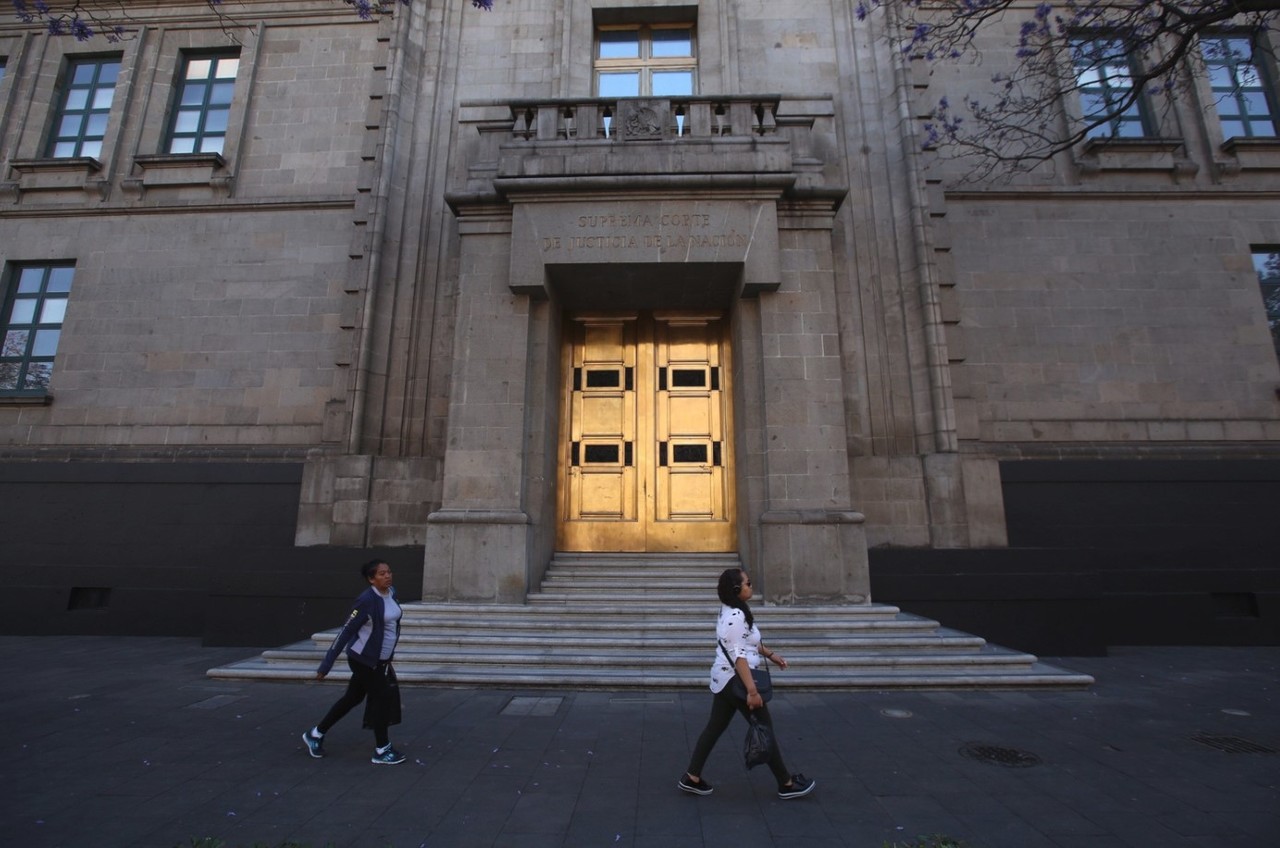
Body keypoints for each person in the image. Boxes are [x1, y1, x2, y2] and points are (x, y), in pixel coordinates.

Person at [679, 567, 815, 799]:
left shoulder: (733, 610)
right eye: (748, 583)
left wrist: (771, 655)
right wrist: (752, 690)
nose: (751, 586)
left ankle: (692, 776)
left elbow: (748, 641)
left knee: (714, 728)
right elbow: (738, 656)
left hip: (725, 680)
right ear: (736, 589)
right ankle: (786, 783)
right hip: (736, 681)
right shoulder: (735, 616)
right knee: (764, 729)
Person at [301, 559, 407, 765]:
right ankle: (382, 749)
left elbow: (390, 626)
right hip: (364, 660)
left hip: (381, 660)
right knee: (382, 698)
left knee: (352, 698)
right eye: (382, 574)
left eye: (389, 572)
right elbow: (346, 631)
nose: (387, 576)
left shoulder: (391, 593)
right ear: (371, 579)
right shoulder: (365, 600)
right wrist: (326, 665)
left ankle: (315, 734)